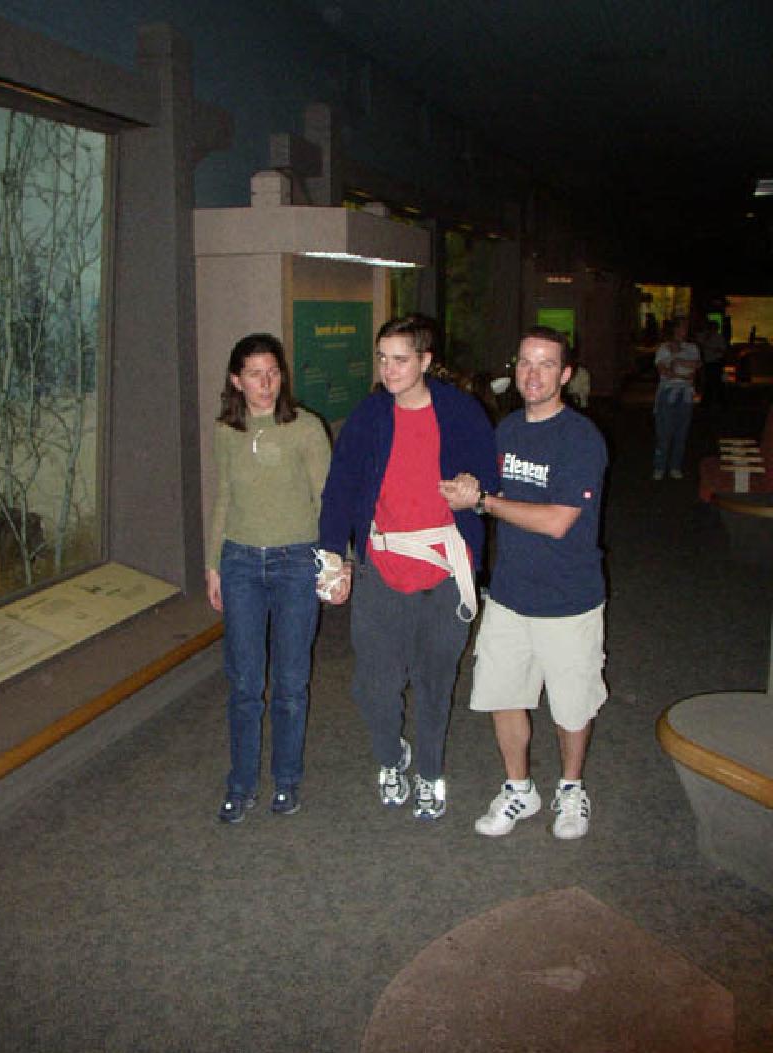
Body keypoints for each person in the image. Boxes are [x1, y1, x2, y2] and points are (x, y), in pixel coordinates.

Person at [318, 313, 498, 820]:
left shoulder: (460, 412)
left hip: (443, 571)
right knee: (374, 685)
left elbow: (489, 477)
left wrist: (476, 490)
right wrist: (332, 554)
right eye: (382, 358)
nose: (388, 369)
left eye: (400, 359)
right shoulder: (370, 415)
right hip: (381, 567)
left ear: (425, 361)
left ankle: (430, 771)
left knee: (435, 681)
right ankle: (391, 757)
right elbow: (340, 488)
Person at [439, 325, 608, 841]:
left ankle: (571, 787)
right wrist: (471, 487)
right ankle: (519, 788)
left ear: (565, 374)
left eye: (546, 364)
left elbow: (558, 521)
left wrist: (484, 503)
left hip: (569, 599)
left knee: (572, 705)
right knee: (503, 694)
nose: (533, 374)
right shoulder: (507, 430)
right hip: (510, 595)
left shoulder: (580, 438)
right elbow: (486, 486)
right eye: (525, 363)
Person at [206, 332, 332, 823]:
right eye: (255, 374)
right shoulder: (226, 431)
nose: (267, 383)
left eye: (274, 372)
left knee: (291, 682)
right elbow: (223, 496)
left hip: (295, 562)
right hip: (240, 562)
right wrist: (214, 564)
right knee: (244, 682)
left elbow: (326, 497)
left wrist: (335, 564)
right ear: (236, 381)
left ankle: (286, 779)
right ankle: (240, 784)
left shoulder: (306, 428)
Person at [652, 316, 701, 479]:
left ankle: (675, 466)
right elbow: (664, 371)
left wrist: (677, 364)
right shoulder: (664, 348)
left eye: (686, 328)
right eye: (681, 327)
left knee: (682, 431)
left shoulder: (692, 348)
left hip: (686, 394)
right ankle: (660, 466)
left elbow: (694, 367)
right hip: (668, 393)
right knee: (664, 431)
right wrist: (681, 371)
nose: (683, 331)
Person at [698, 319, 727, 410]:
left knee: (717, 382)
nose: (713, 329)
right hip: (707, 362)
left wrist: (714, 349)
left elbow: (722, 350)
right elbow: (700, 343)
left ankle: (720, 402)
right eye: (711, 327)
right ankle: (707, 402)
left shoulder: (719, 337)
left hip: (716, 362)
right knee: (708, 382)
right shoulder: (704, 336)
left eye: (715, 327)